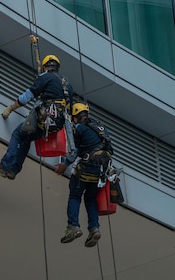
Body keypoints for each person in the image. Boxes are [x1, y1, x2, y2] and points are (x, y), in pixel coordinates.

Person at [0, 55, 73, 180]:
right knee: (26, 138)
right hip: (56, 125)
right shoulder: (67, 84)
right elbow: (69, 109)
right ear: (57, 67)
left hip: (43, 120)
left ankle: (5, 166)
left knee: (18, 134)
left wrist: (11, 108)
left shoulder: (45, 77)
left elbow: (27, 97)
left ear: (45, 67)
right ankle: (13, 170)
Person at [55, 102, 113, 248]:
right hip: (101, 171)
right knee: (90, 198)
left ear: (75, 117)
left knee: (75, 195)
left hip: (87, 168)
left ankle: (73, 226)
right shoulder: (101, 128)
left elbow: (74, 151)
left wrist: (64, 165)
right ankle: (94, 228)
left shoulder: (79, 128)